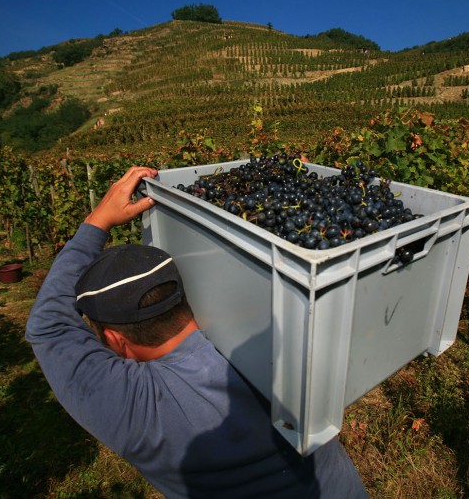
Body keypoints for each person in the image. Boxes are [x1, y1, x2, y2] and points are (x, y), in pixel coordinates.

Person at [25, 166, 368, 498]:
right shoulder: (280, 341)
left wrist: (95, 223)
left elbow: (48, 326)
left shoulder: (135, 410)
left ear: (117, 341)